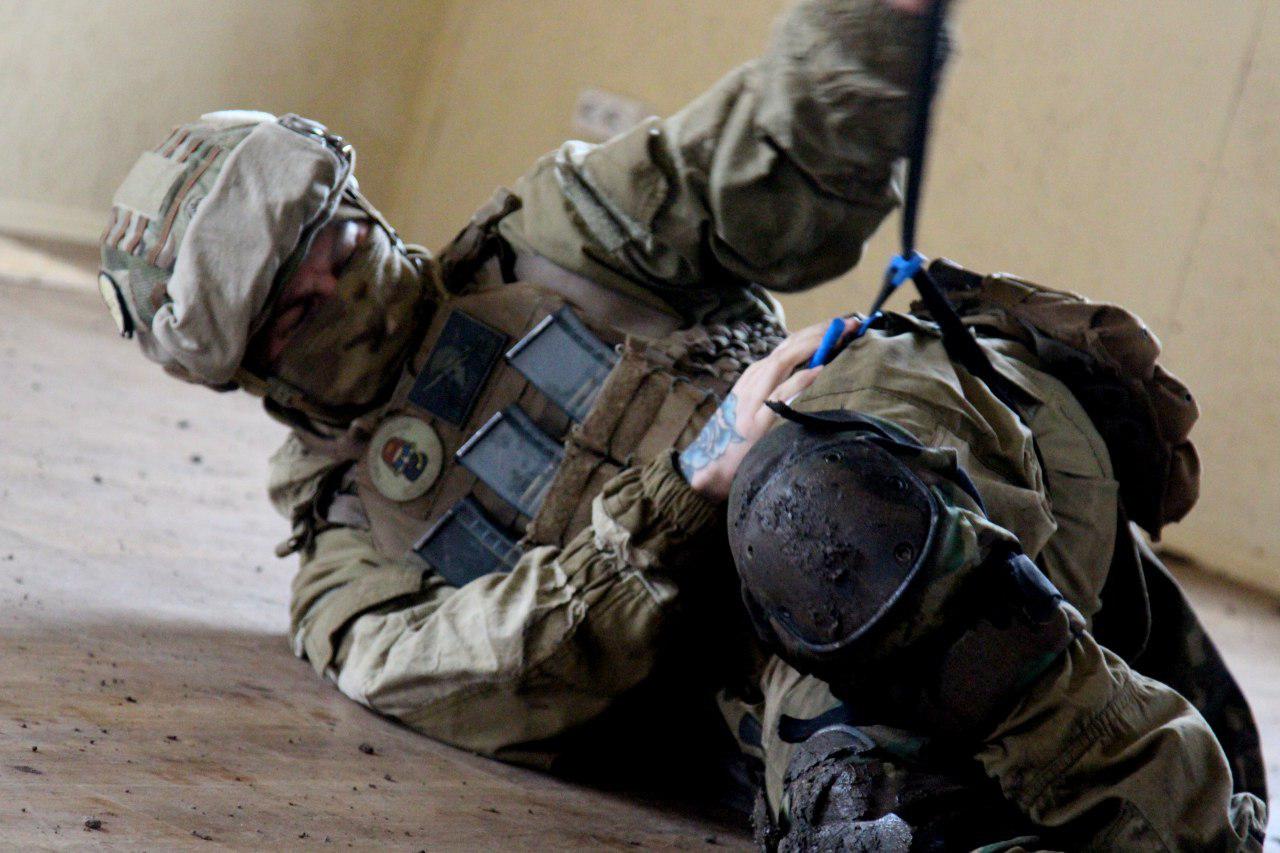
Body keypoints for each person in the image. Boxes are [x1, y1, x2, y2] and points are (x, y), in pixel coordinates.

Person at [96, 0, 1266, 847]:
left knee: (809, 495)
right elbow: (496, 671)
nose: (334, 275)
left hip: (967, 467)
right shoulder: (351, 558)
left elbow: (768, 161)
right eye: (292, 302)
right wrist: (683, 486)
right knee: (867, 805)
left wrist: (866, 27)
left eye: (331, 231)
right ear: (247, 367)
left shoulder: (557, 236)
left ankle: (1179, 808)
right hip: (839, 677)